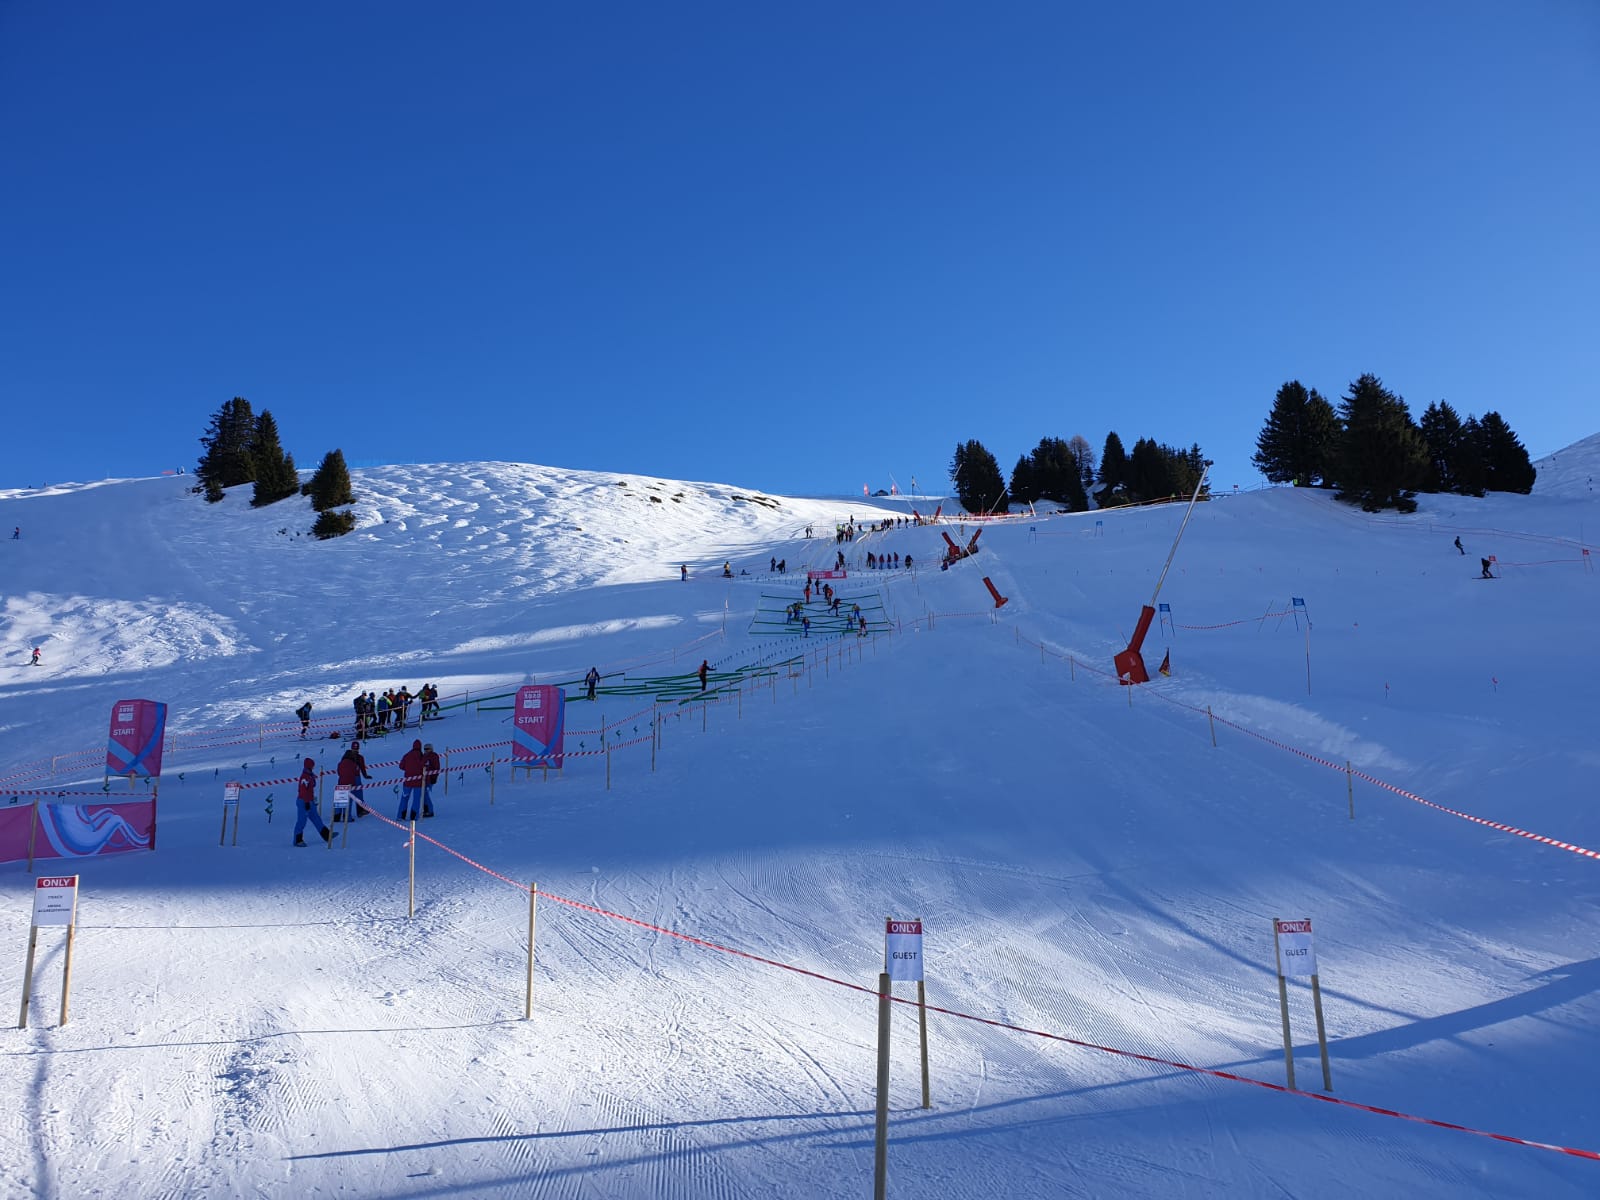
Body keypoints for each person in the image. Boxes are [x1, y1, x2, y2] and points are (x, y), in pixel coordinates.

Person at [294, 757, 332, 846]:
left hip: (310, 801)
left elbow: (312, 785)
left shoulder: (309, 775)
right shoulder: (305, 777)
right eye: (312, 766)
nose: (313, 767)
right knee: (302, 821)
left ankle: (327, 835)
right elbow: (303, 791)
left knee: (316, 818)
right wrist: (306, 802)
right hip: (303, 801)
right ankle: (297, 840)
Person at [336, 741, 371, 818]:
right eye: (354, 749)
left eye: (356, 749)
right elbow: (361, 768)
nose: (355, 751)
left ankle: (338, 815)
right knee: (354, 795)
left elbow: (362, 768)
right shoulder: (353, 757)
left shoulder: (349, 756)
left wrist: (365, 775)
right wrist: (365, 775)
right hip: (353, 778)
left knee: (344, 795)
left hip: (346, 778)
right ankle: (350, 813)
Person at [399, 739, 426, 820]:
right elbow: (424, 766)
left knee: (404, 798)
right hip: (418, 782)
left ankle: (401, 816)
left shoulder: (407, 755)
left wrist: (408, 769)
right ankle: (413, 817)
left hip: (407, 781)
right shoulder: (421, 756)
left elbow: (401, 766)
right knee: (416, 799)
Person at [421, 743, 441, 818]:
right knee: (423, 795)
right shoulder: (424, 756)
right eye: (425, 749)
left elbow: (436, 767)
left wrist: (434, 777)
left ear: (431, 749)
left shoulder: (434, 756)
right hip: (423, 779)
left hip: (430, 779)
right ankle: (425, 810)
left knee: (425, 795)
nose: (426, 750)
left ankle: (430, 810)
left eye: (427, 749)